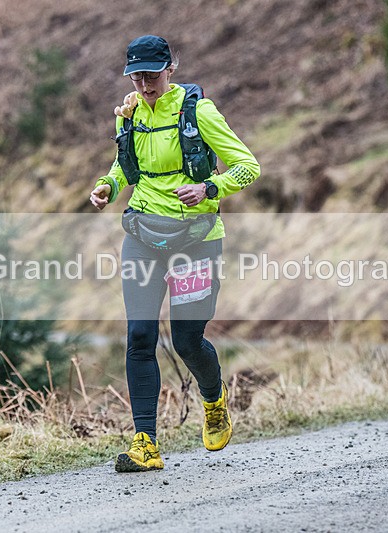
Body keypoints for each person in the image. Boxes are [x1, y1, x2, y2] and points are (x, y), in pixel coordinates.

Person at [90, 35, 260, 471]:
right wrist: (108, 186)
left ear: (171, 68)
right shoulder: (128, 114)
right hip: (143, 235)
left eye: (152, 74)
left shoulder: (198, 111)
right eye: (137, 76)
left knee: (186, 339)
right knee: (140, 336)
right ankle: (145, 443)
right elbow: (126, 165)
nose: (145, 84)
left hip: (196, 239)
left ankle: (214, 399)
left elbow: (248, 165)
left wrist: (210, 187)